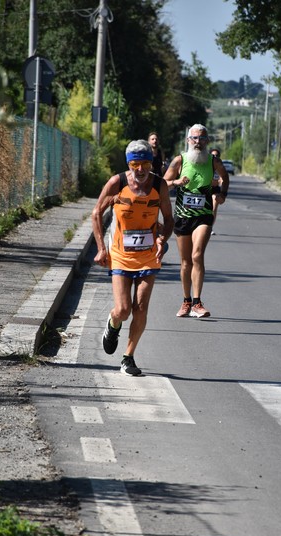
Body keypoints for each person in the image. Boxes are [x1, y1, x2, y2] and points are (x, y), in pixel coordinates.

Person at [91, 139, 174, 376]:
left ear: (152, 163)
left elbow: (169, 220)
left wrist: (161, 239)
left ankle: (128, 357)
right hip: (120, 254)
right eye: (135, 164)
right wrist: (100, 248)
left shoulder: (160, 185)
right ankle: (113, 324)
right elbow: (97, 212)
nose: (140, 170)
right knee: (124, 309)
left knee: (140, 308)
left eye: (145, 164)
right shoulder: (117, 183)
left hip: (149, 255)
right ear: (129, 164)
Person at [164, 124, 229, 318]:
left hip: (204, 215)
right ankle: (186, 301)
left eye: (201, 138)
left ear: (207, 141)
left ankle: (197, 302)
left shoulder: (213, 161)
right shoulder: (179, 160)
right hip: (183, 217)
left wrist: (222, 193)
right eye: (194, 138)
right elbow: (163, 184)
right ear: (188, 140)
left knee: (197, 255)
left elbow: (224, 177)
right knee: (185, 263)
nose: (198, 142)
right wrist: (175, 182)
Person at [210, 147, 223, 235]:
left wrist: (221, 183)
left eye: (217, 155)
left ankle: (210, 227)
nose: (215, 156)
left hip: (215, 189)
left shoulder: (220, 165)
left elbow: (223, 178)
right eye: (213, 155)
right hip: (205, 189)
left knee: (214, 205)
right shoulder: (205, 164)